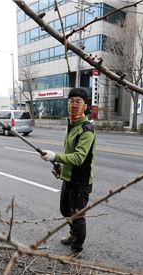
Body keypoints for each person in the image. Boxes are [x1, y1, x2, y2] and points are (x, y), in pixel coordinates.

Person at [40, 88, 96, 257]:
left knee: (77, 216)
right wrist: (60, 167)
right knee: (65, 210)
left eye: (78, 102)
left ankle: (77, 248)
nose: (74, 104)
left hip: (81, 180)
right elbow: (69, 152)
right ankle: (73, 235)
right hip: (69, 177)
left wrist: (55, 155)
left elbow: (79, 158)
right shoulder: (71, 124)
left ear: (85, 107)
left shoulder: (86, 129)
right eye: (71, 101)